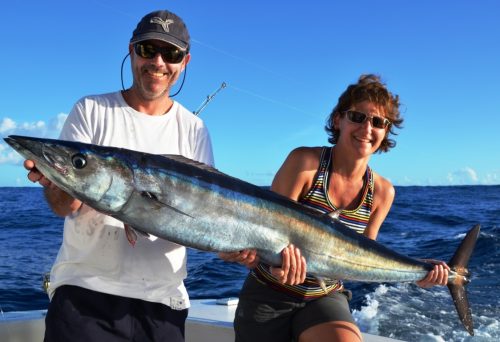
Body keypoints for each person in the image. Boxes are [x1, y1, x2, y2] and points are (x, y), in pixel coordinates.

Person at [24, 10, 214, 342]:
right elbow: (64, 207)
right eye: (146, 50)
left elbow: (203, 219)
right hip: (85, 296)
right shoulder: (91, 110)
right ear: (130, 50)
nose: (157, 62)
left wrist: (241, 249)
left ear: (185, 62)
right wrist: (60, 181)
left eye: (170, 53)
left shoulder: (195, 130)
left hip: (163, 303)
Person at [220, 74, 450, 342]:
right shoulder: (305, 163)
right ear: (338, 120)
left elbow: (363, 260)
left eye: (378, 122)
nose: (367, 129)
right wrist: (266, 262)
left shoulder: (382, 192)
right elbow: (265, 229)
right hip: (269, 291)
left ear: (386, 131)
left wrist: (416, 272)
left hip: (323, 296)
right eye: (358, 117)